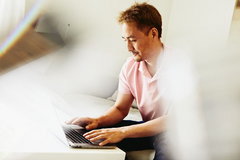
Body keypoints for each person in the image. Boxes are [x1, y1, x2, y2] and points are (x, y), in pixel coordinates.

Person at [66, 2, 171, 160]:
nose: (128, 47)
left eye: (133, 40)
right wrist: (98, 121)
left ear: (153, 34)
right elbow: (121, 109)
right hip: (148, 127)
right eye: (125, 40)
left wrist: (123, 132)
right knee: (90, 135)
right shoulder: (130, 66)